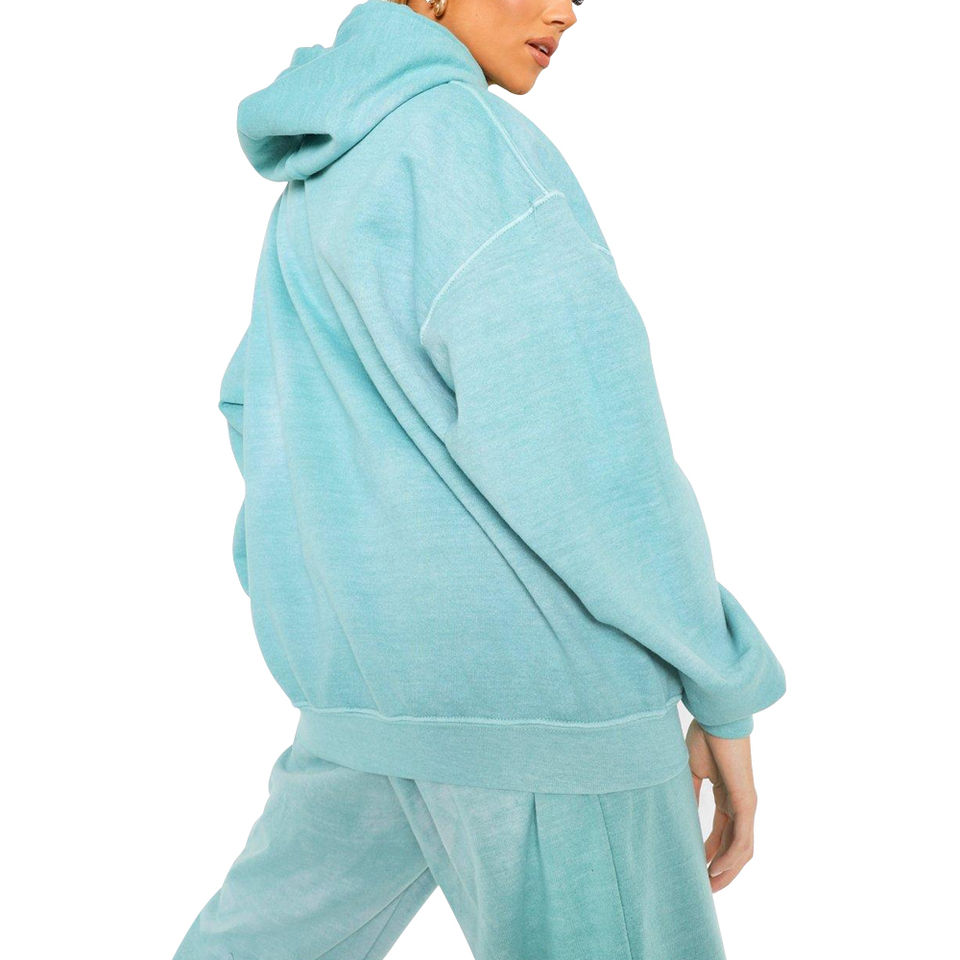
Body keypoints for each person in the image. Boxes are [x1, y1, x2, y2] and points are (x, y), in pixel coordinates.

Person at [172, 1, 787, 957]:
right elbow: (591, 456)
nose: (566, 11)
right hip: (547, 715)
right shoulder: (467, 144)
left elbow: (257, 409)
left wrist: (336, 615)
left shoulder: (320, 178)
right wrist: (721, 681)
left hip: (364, 699)